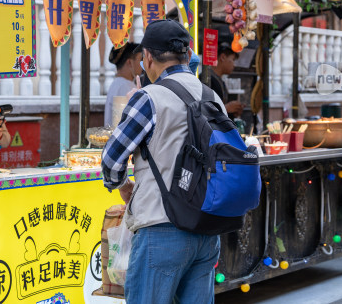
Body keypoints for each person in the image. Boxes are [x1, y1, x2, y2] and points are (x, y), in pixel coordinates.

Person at [102, 19, 223, 304]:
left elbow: (111, 159)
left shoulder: (149, 97)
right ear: (187, 54)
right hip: (207, 230)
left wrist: (121, 185)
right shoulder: (212, 96)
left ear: (147, 57)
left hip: (161, 229)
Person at [104, 42, 143, 127]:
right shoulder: (125, 86)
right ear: (129, 62)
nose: (142, 64)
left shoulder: (118, 83)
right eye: (140, 59)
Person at [209, 42, 245, 118]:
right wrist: (227, 108)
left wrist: (233, 111)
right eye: (232, 60)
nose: (234, 65)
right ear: (223, 57)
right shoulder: (207, 79)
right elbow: (206, 111)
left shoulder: (221, 81)